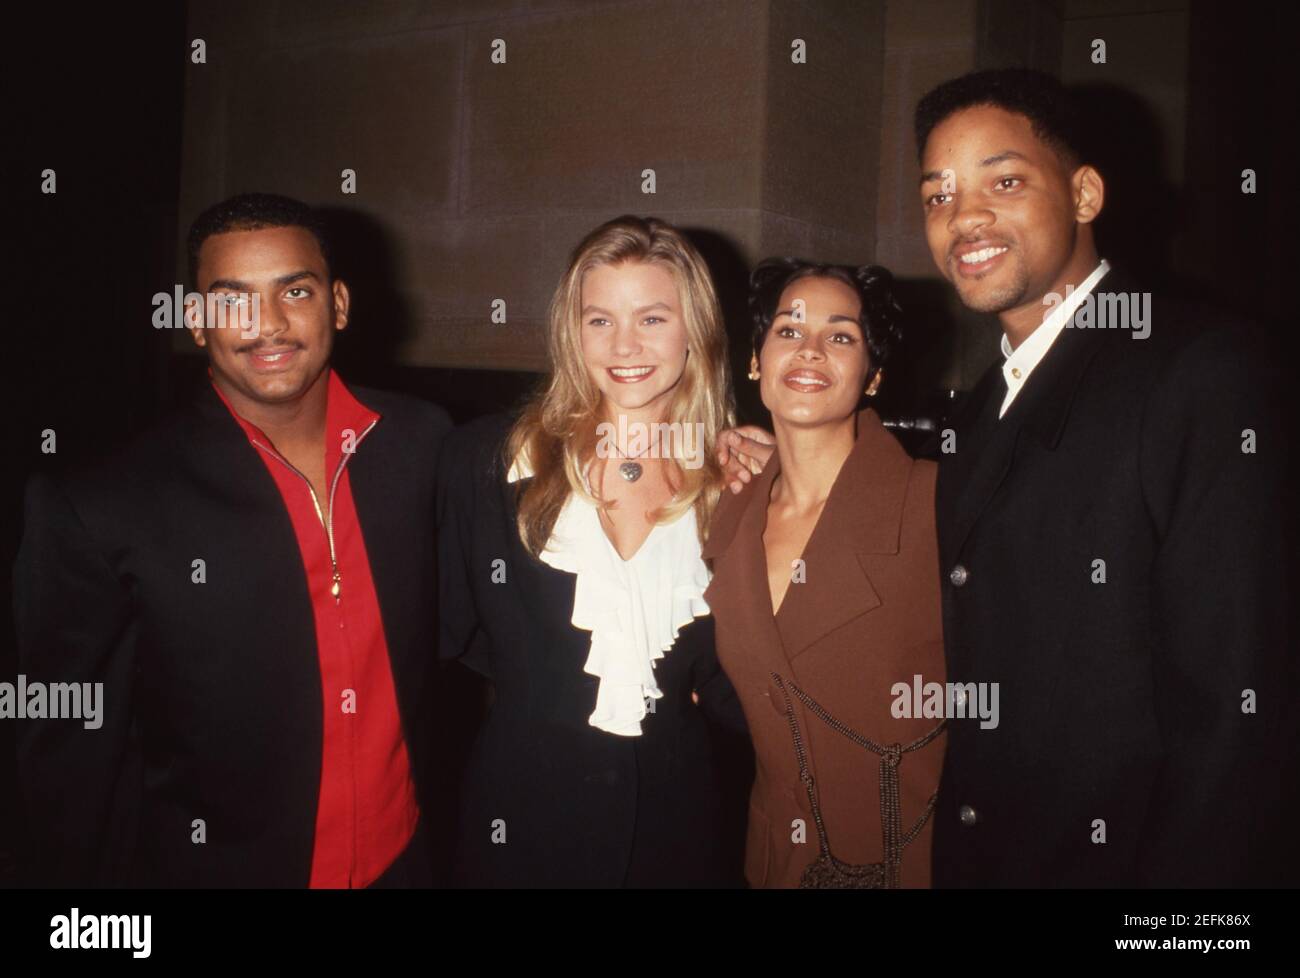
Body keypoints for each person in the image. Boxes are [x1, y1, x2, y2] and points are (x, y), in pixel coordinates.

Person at [720, 68, 1293, 887]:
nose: (965, 217)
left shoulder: (1196, 369)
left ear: (1086, 192)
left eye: (1006, 180)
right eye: (938, 194)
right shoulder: (985, 404)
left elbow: (1241, 717)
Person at [13, 193, 450, 887]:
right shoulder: (101, 504)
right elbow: (66, 760)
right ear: (194, 319)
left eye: (295, 291)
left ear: (337, 304)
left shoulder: (423, 445)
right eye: (231, 300)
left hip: (409, 862)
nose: (267, 325)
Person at [436, 215, 749, 887]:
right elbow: (454, 634)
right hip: (520, 817)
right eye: (599, 319)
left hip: (679, 823)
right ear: (571, 333)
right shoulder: (486, 463)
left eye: (653, 318)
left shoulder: (737, 484)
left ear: (695, 330)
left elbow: (739, 677)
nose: (625, 343)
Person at [703, 258, 945, 888]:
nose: (809, 350)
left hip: (911, 860)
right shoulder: (729, 508)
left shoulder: (934, 507)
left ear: (873, 376)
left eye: (841, 336)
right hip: (775, 862)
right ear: (755, 361)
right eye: (788, 330)